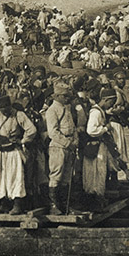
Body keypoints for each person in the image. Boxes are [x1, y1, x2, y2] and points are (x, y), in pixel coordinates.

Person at [0, 95, 37, 215]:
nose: (4, 110)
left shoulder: (18, 114)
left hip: (13, 151)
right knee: (1, 177)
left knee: (15, 177)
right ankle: (4, 204)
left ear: (9, 106)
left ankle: (17, 205)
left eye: (5, 107)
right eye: (1, 108)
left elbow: (32, 129)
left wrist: (23, 141)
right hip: (0, 151)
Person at [43, 81, 77, 214]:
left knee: (66, 176)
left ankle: (65, 206)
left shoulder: (66, 108)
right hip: (58, 147)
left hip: (69, 146)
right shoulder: (52, 110)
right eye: (65, 96)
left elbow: (72, 127)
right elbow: (53, 133)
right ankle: (53, 205)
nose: (67, 98)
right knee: (56, 175)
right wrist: (68, 143)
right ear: (57, 96)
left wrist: (75, 141)